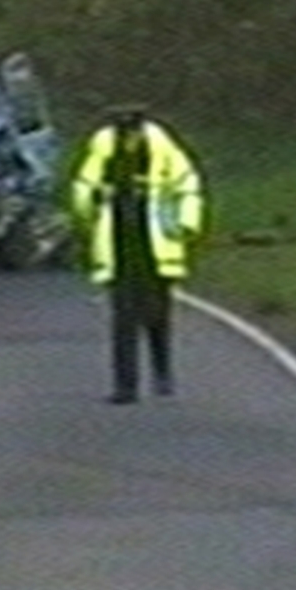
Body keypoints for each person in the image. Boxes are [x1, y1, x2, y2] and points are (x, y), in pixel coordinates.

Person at [70, 105, 205, 404]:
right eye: (124, 130)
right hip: (118, 242)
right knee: (123, 317)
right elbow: (85, 184)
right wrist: (87, 212)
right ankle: (125, 386)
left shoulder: (161, 143)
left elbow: (187, 184)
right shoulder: (104, 143)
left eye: (133, 130)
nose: (129, 136)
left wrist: (187, 223)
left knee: (157, 313)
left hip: (157, 244)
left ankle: (162, 372)